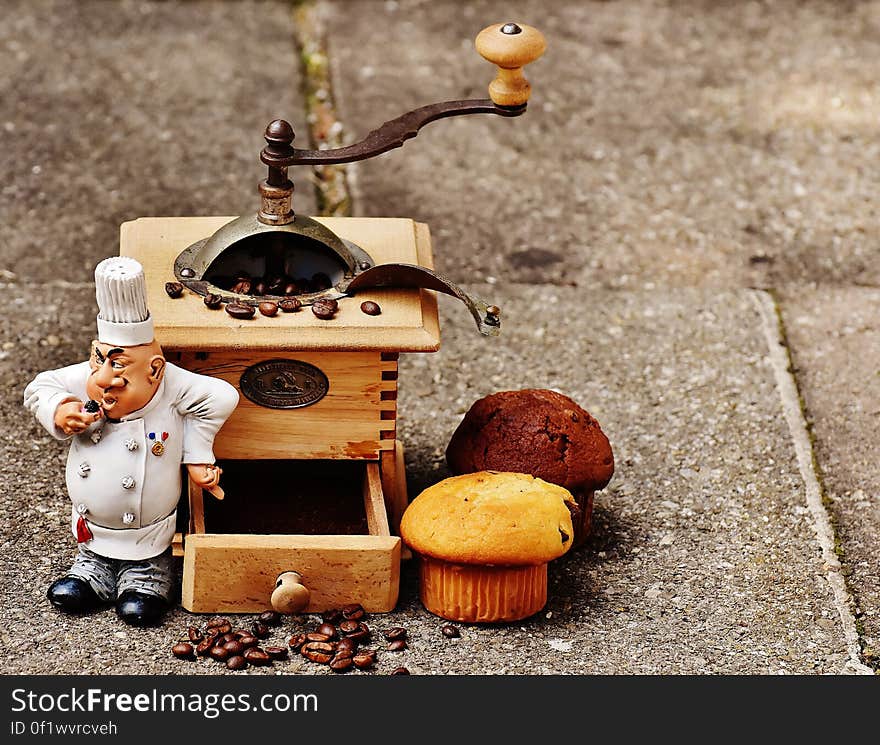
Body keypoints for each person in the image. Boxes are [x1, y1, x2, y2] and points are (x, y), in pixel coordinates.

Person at [23, 257, 239, 626]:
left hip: (149, 525)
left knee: (148, 550)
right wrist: (60, 409)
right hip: (91, 523)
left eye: (119, 368)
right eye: (98, 362)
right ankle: (93, 569)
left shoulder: (172, 385)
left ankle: (147, 576)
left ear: (155, 370)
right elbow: (39, 387)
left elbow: (220, 397)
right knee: (93, 550)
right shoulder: (89, 378)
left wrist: (196, 454)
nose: (103, 379)